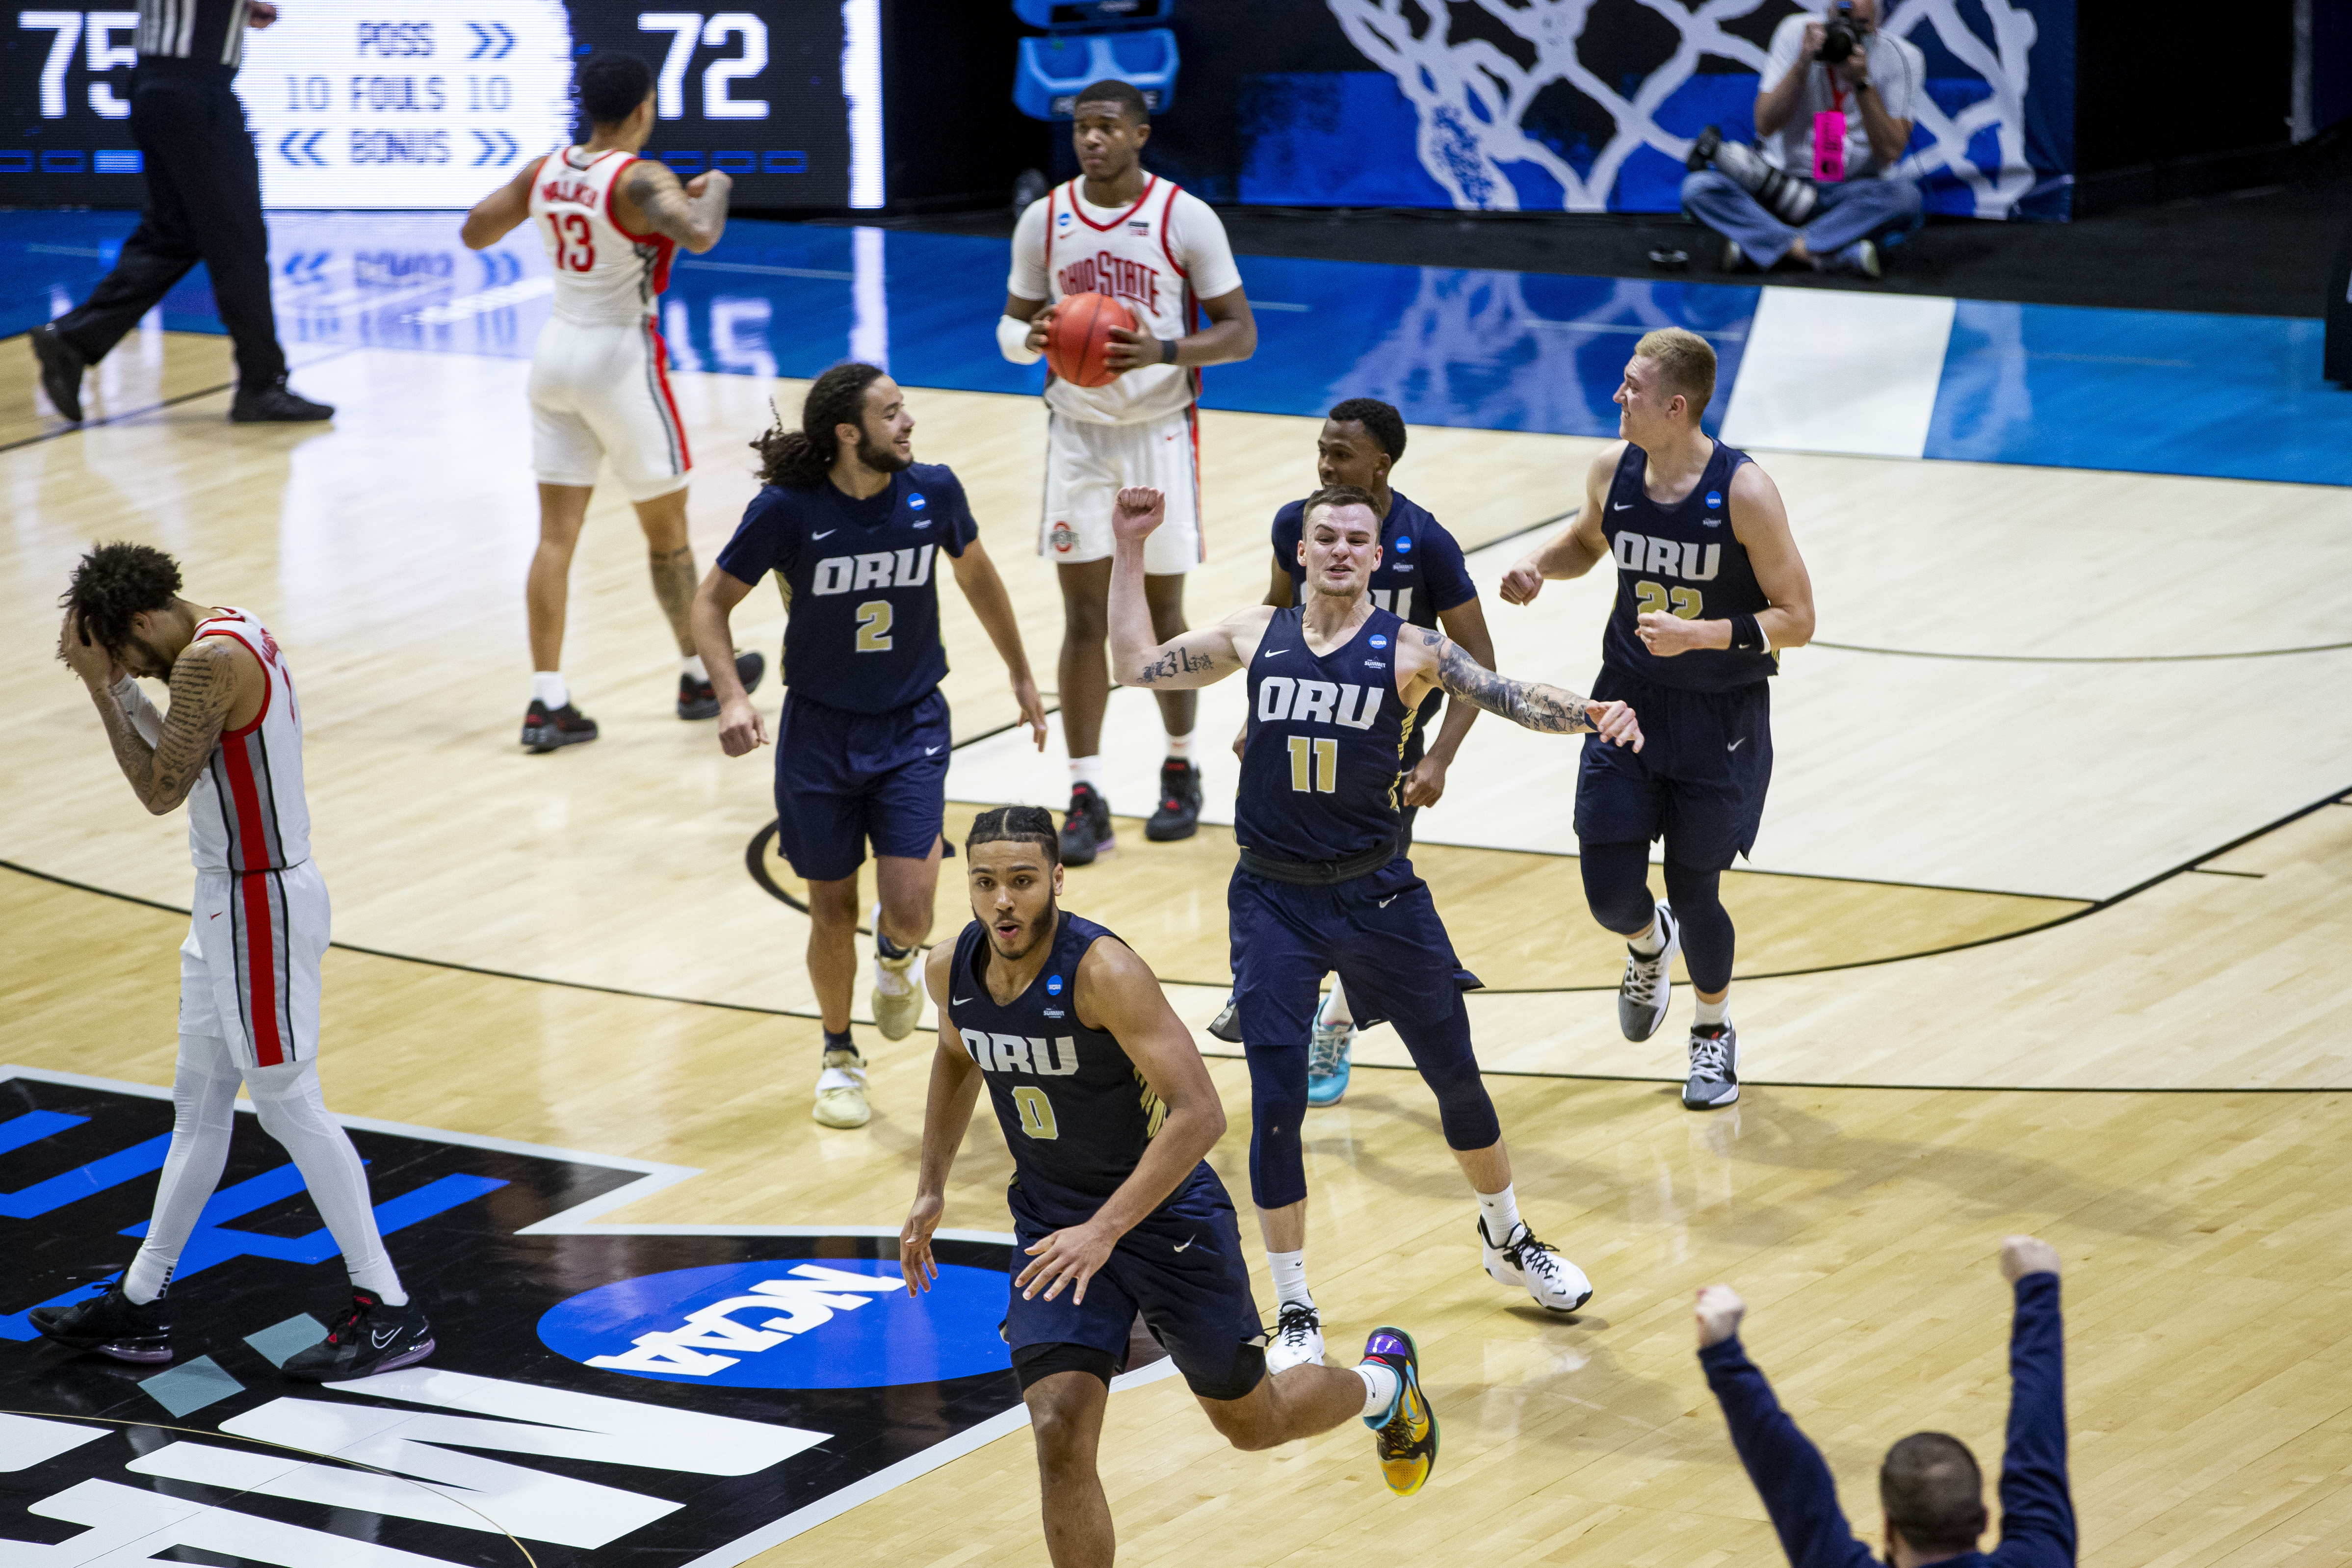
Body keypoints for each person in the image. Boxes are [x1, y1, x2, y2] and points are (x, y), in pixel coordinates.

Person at [1108, 482, 1639, 1373]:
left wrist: (1585, 712)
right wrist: (1129, 549)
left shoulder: (1412, 649)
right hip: (1273, 899)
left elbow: (1503, 692)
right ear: (1303, 552)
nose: (1344, 550)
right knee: (1277, 1106)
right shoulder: (1253, 634)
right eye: (1328, 537)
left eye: (1360, 538)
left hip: (1378, 895)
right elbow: (1131, 664)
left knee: (1455, 1078)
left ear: (1379, 556)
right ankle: (1293, 1306)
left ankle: (1506, 1237)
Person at [900, 806, 1442, 1564]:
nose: (1003, 902)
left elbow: (1201, 1114)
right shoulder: (950, 969)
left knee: (1251, 1424)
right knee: (1058, 1433)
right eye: (985, 883)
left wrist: (1107, 1229)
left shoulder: (1103, 973)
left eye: (1021, 882)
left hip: (1164, 1219)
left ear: (1056, 880)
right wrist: (931, 1187)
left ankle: (1384, 1386)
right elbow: (958, 1057)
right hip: (1055, 1224)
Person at [39, 543, 431, 1378]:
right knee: (199, 1107)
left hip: (262, 903)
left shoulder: (208, 665)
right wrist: (116, 679)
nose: (133, 671)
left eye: (129, 653)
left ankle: (389, 1307)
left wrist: (103, 688)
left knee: (289, 1103)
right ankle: (141, 1303)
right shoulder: (223, 629)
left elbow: (157, 787)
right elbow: (188, 754)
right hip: (228, 899)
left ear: (143, 621)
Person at [690, 364, 1047, 1129]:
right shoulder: (787, 510)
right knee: (830, 905)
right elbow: (710, 602)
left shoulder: (934, 491)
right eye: (891, 413)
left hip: (911, 721)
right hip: (818, 729)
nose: (908, 422)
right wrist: (730, 695)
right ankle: (837, 1053)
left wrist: (1020, 673)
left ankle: (894, 958)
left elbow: (978, 575)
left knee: (913, 911)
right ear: (848, 433)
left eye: (905, 407)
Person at [1501, 328, 1814, 1111]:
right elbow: (1585, 542)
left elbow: (1798, 618)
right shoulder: (1614, 471)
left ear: (1675, 407)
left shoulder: (1744, 492)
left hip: (1720, 714)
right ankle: (1648, 943)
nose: (1617, 396)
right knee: (1609, 891)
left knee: (1694, 884)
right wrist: (1539, 566)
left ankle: (1712, 1033)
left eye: (1632, 387)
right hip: (1626, 702)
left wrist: (1700, 635)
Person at [459, 51, 761, 754]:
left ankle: (547, 701)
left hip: (555, 352)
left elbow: (475, 229)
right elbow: (701, 232)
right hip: (620, 359)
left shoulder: (546, 169)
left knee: (555, 537)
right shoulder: (640, 177)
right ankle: (700, 679)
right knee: (669, 537)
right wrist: (712, 187)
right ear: (642, 109)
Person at [1204, 397, 1495, 1109]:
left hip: (1384, 745)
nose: (1325, 465)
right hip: (1300, 728)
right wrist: (1258, 716)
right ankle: (1273, 989)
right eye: (1321, 450)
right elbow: (1279, 626)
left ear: (1380, 465)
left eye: (1340, 455)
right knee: (1275, 868)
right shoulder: (1296, 525)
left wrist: (1440, 760)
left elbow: (1479, 665)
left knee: (1365, 888)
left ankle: (1330, 1019)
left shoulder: (1427, 543)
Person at [998, 78, 1258, 864]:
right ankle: (1084, 791)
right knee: (1082, 617)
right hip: (1078, 437)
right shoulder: (1044, 220)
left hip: (1157, 433)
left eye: (1108, 126)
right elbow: (1010, 330)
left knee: (1163, 614)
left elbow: (1241, 333)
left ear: (1141, 134)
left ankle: (1179, 768)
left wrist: (1163, 350)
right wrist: (1035, 337)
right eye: (1082, 128)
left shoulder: (1184, 217)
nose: (1092, 139)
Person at [28, 0, 333, 424]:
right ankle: (262, 385)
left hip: (160, 84)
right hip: (193, 91)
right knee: (239, 240)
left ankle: (75, 339)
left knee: (175, 235)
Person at [1694, 1236, 2075, 1567]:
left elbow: (1794, 1478)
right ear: (1984, 1519)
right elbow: (2038, 1441)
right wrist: (2037, 1287)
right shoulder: (2041, 1560)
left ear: (1888, 1527)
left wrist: (1723, 1353)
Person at [1681, 0, 1925, 279]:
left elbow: (1891, 151)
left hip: (1851, 195)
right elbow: (1765, 126)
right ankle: (1826, 255)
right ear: (1828, 11)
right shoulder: (1795, 33)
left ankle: (1767, 246)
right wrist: (1802, 63)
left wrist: (1862, 83)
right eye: (1842, 22)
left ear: (1880, 21)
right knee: (1698, 188)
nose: (1849, 35)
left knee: (1907, 199)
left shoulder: (1905, 56)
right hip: (1780, 188)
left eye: (1861, 27)